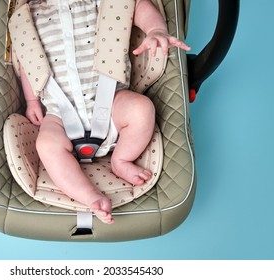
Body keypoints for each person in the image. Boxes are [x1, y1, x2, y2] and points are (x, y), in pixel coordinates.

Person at [11, 0, 191, 224]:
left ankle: (121, 160)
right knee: (46, 145)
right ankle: (90, 196)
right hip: (59, 112)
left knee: (142, 109)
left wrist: (155, 30)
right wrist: (31, 100)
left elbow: (135, 7)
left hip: (110, 99)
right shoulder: (31, 13)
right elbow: (29, 62)